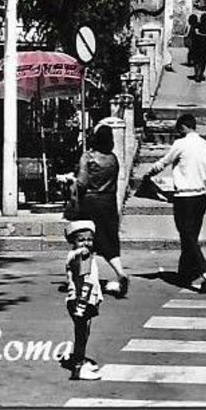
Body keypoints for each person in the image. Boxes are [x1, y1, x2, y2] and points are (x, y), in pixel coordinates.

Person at [146, 113, 206, 291]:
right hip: (201, 196)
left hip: (184, 198)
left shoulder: (180, 144)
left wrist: (149, 173)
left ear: (183, 127)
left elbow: (164, 162)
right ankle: (184, 273)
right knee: (191, 237)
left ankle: (205, 272)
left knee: (187, 237)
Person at [74, 124, 130, 296]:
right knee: (108, 242)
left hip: (90, 203)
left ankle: (85, 281)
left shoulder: (88, 157)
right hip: (109, 203)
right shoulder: (113, 159)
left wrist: (72, 180)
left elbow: (82, 182)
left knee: (85, 242)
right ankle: (121, 273)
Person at [62, 219, 104, 380]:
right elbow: (83, 281)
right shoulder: (81, 255)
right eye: (81, 240)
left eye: (89, 239)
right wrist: (82, 304)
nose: (86, 243)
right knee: (81, 334)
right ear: (73, 240)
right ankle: (78, 368)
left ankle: (81, 359)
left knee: (84, 332)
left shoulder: (83, 255)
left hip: (87, 300)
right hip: (81, 300)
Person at [186, 12, 206, 83]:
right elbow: (196, 33)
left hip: (204, 45)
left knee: (203, 61)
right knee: (197, 60)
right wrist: (205, 36)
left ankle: (200, 74)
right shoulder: (197, 25)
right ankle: (197, 74)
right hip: (197, 45)